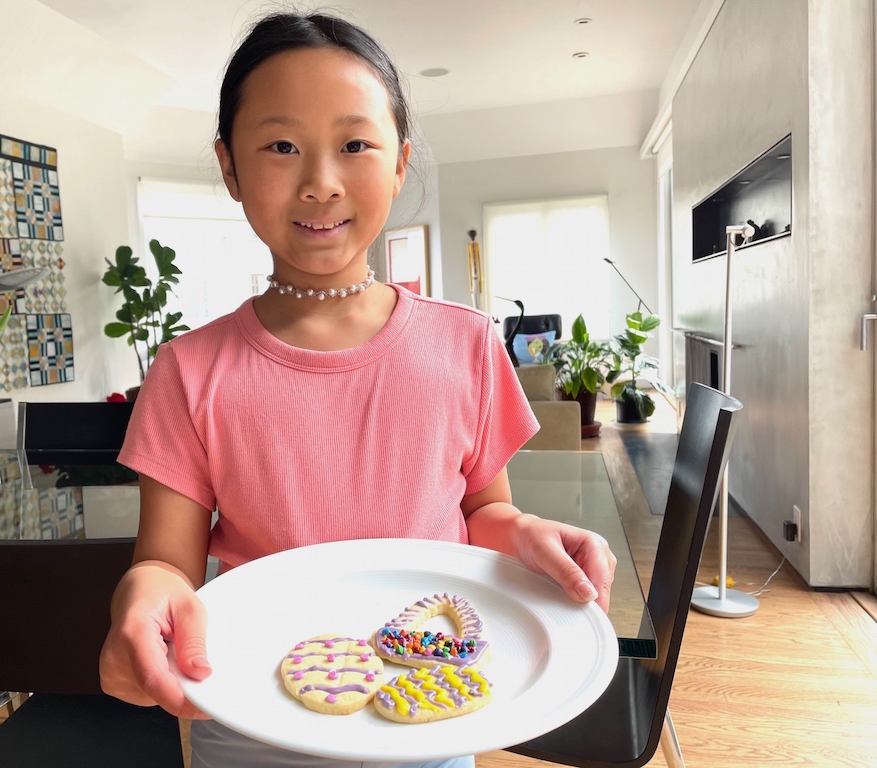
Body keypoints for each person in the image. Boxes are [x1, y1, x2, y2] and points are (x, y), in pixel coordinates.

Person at [99, 10, 617, 768]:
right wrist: (139, 599)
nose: (320, 182)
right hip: (249, 718)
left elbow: (484, 510)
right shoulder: (188, 371)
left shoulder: (466, 343)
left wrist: (525, 534)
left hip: (428, 711)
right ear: (229, 166)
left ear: (400, 162)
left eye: (355, 144)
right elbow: (166, 565)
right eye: (281, 146)